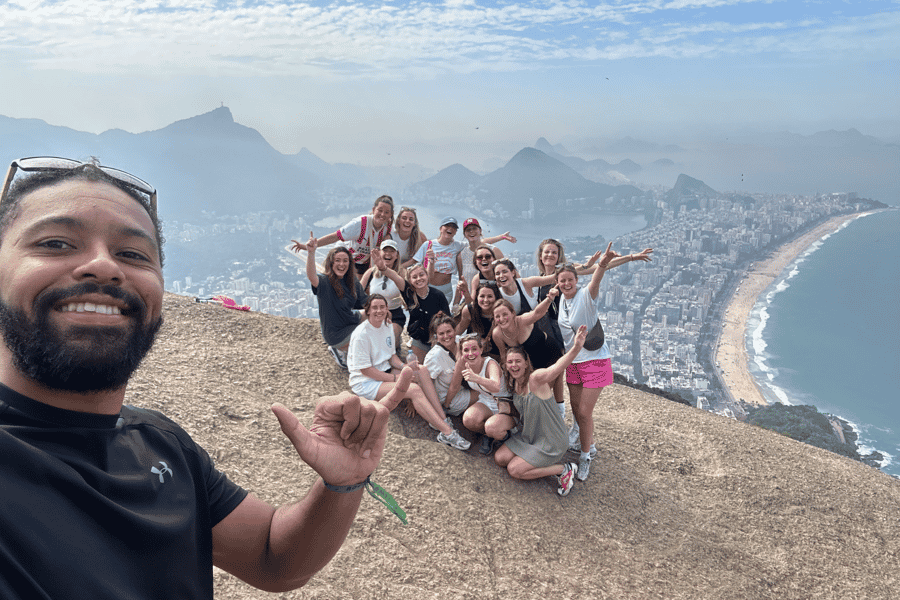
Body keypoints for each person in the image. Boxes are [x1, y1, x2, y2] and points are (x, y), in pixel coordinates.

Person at [0, 156, 396, 598]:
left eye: (132, 254)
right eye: (55, 243)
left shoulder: (162, 443)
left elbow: (272, 557)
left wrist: (341, 484)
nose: (104, 267)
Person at [556, 243, 653, 482]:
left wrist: (602, 263)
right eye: (562, 281)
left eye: (570, 280)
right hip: (573, 362)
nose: (566, 284)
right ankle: (588, 444)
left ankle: (585, 457)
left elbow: (596, 280)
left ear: (576, 281)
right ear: (557, 283)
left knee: (585, 413)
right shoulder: (560, 301)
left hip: (594, 361)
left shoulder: (585, 296)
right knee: (577, 412)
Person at [347, 295, 470, 450]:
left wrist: (405, 367)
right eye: (375, 307)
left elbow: (391, 356)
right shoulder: (362, 335)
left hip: (385, 370)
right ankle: (447, 433)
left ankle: (442, 419)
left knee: (422, 370)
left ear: (387, 309)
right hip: (366, 382)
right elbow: (365, 370)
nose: (379, 311)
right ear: (368, 311)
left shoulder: (386, 327)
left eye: (382, 307)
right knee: (413, 389)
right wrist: (397, 377)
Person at [487, 326, 589, 497]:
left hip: (551, 440)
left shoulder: (535, 379)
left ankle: (563, 469)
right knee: (500, 458)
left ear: (526, 363)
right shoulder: (513, 384)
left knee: (514, 469)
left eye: (518, 361)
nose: (514, 365)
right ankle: (531, 458)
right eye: (510, 362)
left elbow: (556, 368)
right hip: (530, 436)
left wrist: (576, 347)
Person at [490, 292, 566, 421]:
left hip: (548, 351)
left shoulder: (522, 320)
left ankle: (559, 412)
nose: (501, 319)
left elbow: (538, 313)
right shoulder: (497, 334)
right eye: (497, 316)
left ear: (513, 313)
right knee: (532, 391)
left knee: (547, 386)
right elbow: (504, 356)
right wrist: (507, 378)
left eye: (505, 314)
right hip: (529, 361)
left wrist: (549, 299)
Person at [297, 232, 367, 369]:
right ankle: (340, 349)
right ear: (331, 263)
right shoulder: (324, 281)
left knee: (374, 316)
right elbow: (312, 276)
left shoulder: (352, 281)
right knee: (367, 335)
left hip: (349, 320)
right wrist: (311, 253)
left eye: (345, 261)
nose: (341, 264)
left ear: (349, 263)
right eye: (337, 260)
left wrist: (383, 311)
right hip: (335, 333)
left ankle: (348, 349)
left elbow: (366, 302)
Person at [292, 195, 394, 272]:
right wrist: (309, 246)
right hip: (348, 260)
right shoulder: (360, 223)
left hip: (365, 264)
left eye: (386, 212)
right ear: (373, 210)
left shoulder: (387, 228)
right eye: (380, 210)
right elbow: (335, 236)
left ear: (390, 214)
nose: (382, 214)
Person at [446, 333, 504, 455]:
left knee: (492, 427)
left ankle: (504, 435)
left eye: (474, 349)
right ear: (461, 353)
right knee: (469, 420)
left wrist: (476, 378)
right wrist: (445, 405)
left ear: (481, 349)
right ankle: (488, 435)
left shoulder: (490, 363)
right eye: (466, 350)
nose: (470, 353)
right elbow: (454, 386)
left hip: (504, 403)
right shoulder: (463, 363)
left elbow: (496, 386)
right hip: (486, 400)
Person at [359, 239, 406, 355]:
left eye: (392, 251)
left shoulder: (402, 273)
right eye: (385, 250)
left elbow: (407, 292)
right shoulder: (370, 273)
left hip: (394, 314)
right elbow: (358, 294)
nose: (388, 254)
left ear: (397, 255)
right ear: (380, 253)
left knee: (388, 344)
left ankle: (395, 344)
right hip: (374, 312)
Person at [400, 262, 451, 363]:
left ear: (427, 276)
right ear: (410, 281)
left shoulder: (438, 295)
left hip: (438, 337)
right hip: (419, 338)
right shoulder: (409, 295)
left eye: (421, 275)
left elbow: (447, 321)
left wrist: (437, 337)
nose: (419, 278)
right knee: (417, 367)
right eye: (414, 277)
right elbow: (396, 279)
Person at [457, 218, 516, 306]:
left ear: (480, 231)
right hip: (471, 301)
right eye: (468, 230)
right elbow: (461, 282)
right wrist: (455, 305)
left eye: (474, 229)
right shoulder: (461, 255)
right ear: (464, 234)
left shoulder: (494, 251)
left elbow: (511, 276)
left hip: (494, 301)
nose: (471, 232)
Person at [412, 216, 464, 305]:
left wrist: (497, 238)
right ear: (440, 228)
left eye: (453, 227)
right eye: (447, 226)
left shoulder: (458, 245)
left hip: (446, 291)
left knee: (441, 317)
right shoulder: (428, 245)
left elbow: (477, 243)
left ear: (455, 232)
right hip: (428, 289)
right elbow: (414, 263)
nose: (450, 229)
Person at [455, 281, 500, 361]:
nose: (485, 300)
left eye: (490, 296)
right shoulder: (469, 310)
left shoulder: (501, 312)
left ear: (496, 297)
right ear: (477, 297)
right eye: (482, 296)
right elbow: (459, 329)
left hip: (495, 353)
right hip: (473, 353)